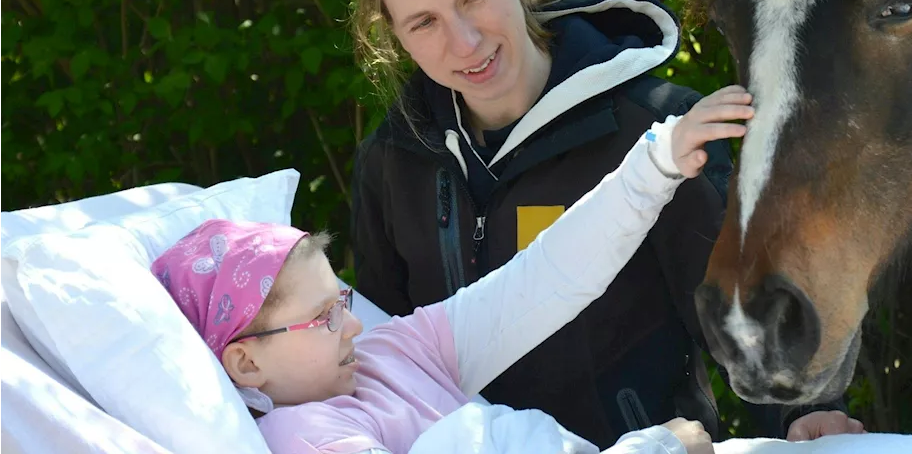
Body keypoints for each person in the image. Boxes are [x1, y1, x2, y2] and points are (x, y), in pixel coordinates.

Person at [342, 0, 854, 444]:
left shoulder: (653, 130)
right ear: (395, 34)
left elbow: (742, 305)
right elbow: (379, 364)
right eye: (424, 23)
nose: (464, 42)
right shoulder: (393, 161)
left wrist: (806, 410)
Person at [152, 87, 863, 454]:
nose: (352, 320)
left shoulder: (389, 351)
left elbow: (543, 279)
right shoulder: (303, 438)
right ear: (245, 362)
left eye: (342, 296)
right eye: (324, 315)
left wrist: (655, 163)